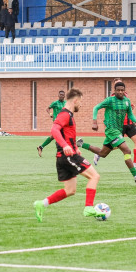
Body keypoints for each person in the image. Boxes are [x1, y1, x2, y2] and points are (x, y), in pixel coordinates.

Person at [33, 88, 105, 222]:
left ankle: (41, 204)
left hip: (64, 156)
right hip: (67, 156)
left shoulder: (69, 115)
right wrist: (66, 146)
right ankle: (89, 207)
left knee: (70, 190)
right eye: (80, 102)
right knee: (94, 176)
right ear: (76, 100)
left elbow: (67, 135)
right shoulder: (65, 114)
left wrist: (74, 147)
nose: (81, 105)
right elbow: (54, 130)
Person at [79, 81, 136, 184]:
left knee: (102, 153)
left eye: (122, 90)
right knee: (127, 150)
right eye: (118, 90)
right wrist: (94, 121)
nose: (120, 92)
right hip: (111, 130)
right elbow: (96, 107)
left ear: (124, 91)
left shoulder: (127, 101)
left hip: (118, 130)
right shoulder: (110, 100)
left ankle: (81, 144)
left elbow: (130, 114)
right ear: (114, 91)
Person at [37, 90, 66, 157]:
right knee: (61, 136)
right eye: (60, 94)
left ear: (64, 96)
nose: (61, 96)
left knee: (54, 136)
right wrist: (50, 114)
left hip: (63, 122)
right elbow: (47, 109)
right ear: (58, 95)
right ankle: (61, 152)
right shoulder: (55, 103)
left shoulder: (66, 103)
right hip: (57, 122)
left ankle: (41, 147)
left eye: (63, 95)